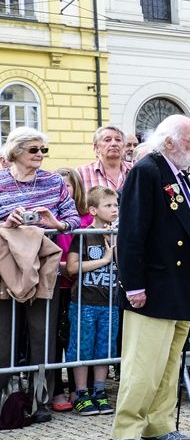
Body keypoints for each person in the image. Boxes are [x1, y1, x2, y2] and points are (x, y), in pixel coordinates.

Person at [109, 115, 190, 440]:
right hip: (153, 287)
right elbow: (131, 234)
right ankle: (125, 430)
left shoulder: (177, 173)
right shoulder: (148, 171)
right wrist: (134, 284)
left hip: (180, 287)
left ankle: (157, 425)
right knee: (144, 364)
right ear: (168, 141)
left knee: (170, 364)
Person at [0, 127, 81, 422]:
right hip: (6, 268)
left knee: (42, 336)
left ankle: (39, 401)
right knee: (5, 336)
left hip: (45, 266)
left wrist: (56, 223)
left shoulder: (54, 181)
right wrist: (6, 221)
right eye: (34, 150)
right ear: (16, 151)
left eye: (43, 150)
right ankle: (7, 400)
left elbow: (74, 218)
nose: (40, 155)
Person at [65, 186, 120, 416]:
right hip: (85, 301)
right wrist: (104, 260)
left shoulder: (118, 234)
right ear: (93, 210)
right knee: (82, 348)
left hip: (110, 303)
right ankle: (80, 392)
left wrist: (113, 246)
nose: (114, 209)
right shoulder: (83, 235)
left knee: (104, 350)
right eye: (108, 205)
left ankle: (99, 390)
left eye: (116, 205)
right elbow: (71, 268)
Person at [51, 166, 92, 413]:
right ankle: (55, 389)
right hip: (57, 285)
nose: (64, 190)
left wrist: (76, 268)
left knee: (78, 339)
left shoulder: (87, 219)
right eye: (60, 186)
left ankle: (79, 389)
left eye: (68, 186)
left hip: (82, 288)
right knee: (55, 339)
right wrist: (68, 267)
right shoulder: (49, 218)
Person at [77, 125, 132, 192]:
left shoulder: (135, 170)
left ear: (123, 146)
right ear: (96, 147)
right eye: (107, 140)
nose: (114, 143)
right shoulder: (82, 173)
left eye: (118, 140)